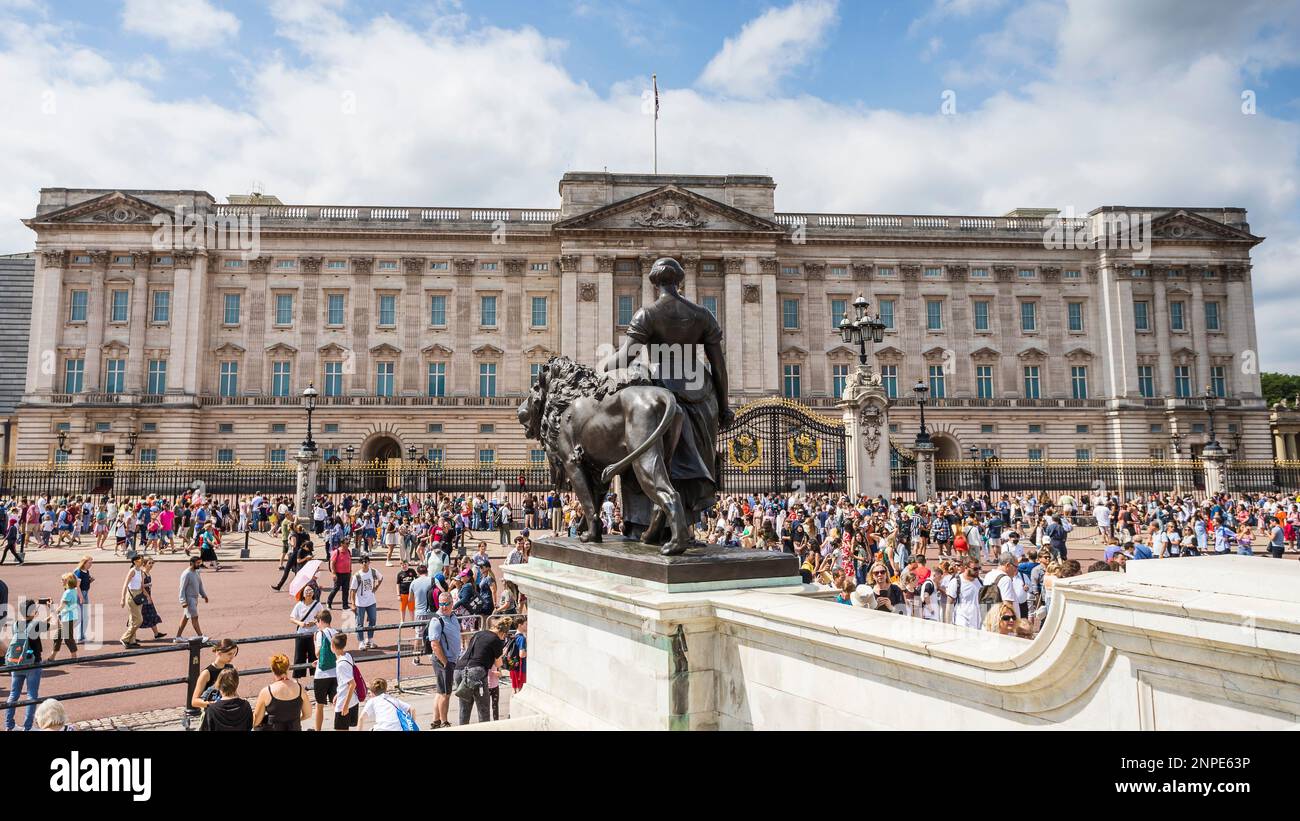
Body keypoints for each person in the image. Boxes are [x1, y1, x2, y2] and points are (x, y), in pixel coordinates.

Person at [597, 257, 732, 554]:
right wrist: (723, 406)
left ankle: (645, 525)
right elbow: (719, 366)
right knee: (690, 465)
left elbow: (626, 358)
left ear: (654, 283)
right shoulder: (702, 314)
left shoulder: (648, 314)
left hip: (661, 389)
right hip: (702, 393)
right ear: (680, 281)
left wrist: (600, 368)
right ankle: (683, 527)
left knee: (649, 462)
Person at [454, 616, 512, 726]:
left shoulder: (478, 634)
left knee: (464, 707)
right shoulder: (496, 640)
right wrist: (502, 654)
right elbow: (498, 663)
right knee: (483, 708)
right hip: (476, 671)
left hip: (459, 669)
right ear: (503, 633)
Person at [5, 599, 43, 731]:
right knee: (32, 695)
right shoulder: (35, 625)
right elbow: (55, 623)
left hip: (17, 663)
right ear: (33, 612)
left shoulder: (16, 624)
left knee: (13, 694)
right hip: (33, 663)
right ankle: (28, 727)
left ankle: (9, 725)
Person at [427, 591, 462, 729]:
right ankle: (444, 721)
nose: (443, 607)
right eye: (441, 604)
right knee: (445, 694)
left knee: (440, 692)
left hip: (450, 659)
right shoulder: (437, 620)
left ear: (452, 604)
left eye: (446, 604)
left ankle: (436, 720)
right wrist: (445, 662)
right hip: (444, 660)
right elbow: (434, 644)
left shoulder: (452, 616)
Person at [252, 653, 311, 731]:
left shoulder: (266, 692)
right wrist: (295, 721)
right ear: (288, 668)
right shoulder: (300, 688)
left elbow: (256, 721)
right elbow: (307, 714)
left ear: (272, 669)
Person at [191, 639, 239, 712]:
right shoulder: (207, 673)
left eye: (234, 653)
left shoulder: (231, 668)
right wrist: (214, 704)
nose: (232, 657)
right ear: (219, 653)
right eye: (229, 654)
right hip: (213, 713)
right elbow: (194, 701)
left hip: (228, 711)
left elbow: (233, 692)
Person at [311, 609, 338, 732]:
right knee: (336, 704)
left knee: (319, 705)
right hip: (336, 672)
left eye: (317, 622)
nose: (317, 624)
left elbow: (317, 653)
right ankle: (339, 728)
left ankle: (318, 730)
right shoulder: (337, 633)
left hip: (321, 674)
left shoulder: (320, 634)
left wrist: (314, 641)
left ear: (320, 621)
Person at [290, 584, 323, 680]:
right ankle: (297, 679)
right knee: (299, 656)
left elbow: (322, 617)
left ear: (313, 593)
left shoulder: (318, 605)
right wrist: (300, 623)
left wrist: (314, 622)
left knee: (314, 655)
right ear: (303, 594)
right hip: (301, 633)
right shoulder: (299, 605)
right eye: (306, 591)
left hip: (313, 634)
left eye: (310, 591)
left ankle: (315, 677)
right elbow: (292, 618)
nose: (308, 593)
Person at [174, 555, 209, 642]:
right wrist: (183, 601)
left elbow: (200, 584)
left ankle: (178, 637)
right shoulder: (186, 574)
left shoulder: (197, 572)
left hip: (195, 598)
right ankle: (201, 636)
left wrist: (204, 595)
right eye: (197, 563)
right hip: (189, 600)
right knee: (195, 618)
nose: (199, 565)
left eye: (200, 563)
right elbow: (181, 589)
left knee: (186, 617)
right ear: (192, 563)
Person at [350, 556, 383, 650]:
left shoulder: (373, 571)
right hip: (360, 603)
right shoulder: (357, 576)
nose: (364, 563)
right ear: (360, 563)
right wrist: (352, 604)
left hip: (371, 601)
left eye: (366, 561)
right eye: (362, 562)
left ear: (369, 562)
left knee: (372, 620)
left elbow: (381, 578)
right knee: (360, 623)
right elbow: (352, 591)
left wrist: (376, 586)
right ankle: (361, 642)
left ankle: (370, 640)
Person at [46, 574, 79, 663]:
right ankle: (52, 657)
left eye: (62, 580)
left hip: (68, 618)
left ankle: (74, 657)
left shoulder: (68, 592)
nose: (61, 581)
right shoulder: (72, 590)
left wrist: (51, 609)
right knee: (58, 637)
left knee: (68, 638)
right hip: (68, 617)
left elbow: (62, 607)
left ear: (67, 581)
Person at [332, 632, 360, 731]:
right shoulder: (347, 655)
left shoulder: (341, 665)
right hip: (352, 699)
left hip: (345, 702)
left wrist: (345, 706)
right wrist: (338, 694)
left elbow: (352, 684)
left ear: (333, 646)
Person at [944, 560, 983, 629]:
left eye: (979, 568)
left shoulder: (981, 582)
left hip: (976, 624)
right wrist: (948, 625)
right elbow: (949, 604)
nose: (978, 571)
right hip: (961, 623)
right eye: (975, 569)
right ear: (966, 568)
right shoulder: (956, 582)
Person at [119, 553, 147, 649]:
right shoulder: (132, 571)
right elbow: (125, 584)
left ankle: (132, 640)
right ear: (135, 561)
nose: (142, 561)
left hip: (139, 595)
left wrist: (147, 597)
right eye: (140, 559)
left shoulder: (141, 572)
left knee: (133, 620)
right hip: (131, 595)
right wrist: (122, 598)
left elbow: (142, 586)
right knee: (139, 620)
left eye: (143, 559)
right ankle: (125, 638)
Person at [137, 557, 167, 640]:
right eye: (149, 563)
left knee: (151, 615)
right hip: (143, 598)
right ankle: (132, 635)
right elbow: (141, 586)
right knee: (139, 617)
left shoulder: (148, 573)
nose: (151, 565)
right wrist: (148, 595)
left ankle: (156, 634)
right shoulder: (142, 573)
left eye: (152, 563)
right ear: (144, 564)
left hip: (147, 597)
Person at [72, 556, 94, 643]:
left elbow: (84, 584)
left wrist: (90, 581)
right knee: (81, 616)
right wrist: (81, 597)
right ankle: (79, 637)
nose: (91, 565)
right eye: (89, 563)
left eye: (91, 563)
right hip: (80, 594)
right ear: (84, 563)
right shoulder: (78, 572)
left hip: (85, 593)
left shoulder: (86, 571)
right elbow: (77, 586)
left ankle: (81, 635)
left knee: (84, 616)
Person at [328, 539, 352, 610]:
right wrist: (333, 574)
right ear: (342, 544)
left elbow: (349, 561)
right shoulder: (336, 552)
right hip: (338, 574)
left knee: (346, 590)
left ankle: (345, 605)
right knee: (336, 589)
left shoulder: (348, 551)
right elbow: (332, 563)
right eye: (346, 543)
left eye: (348, 543)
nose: (348, 545)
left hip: (347, 573)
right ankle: (329, 602)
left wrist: (350, 571)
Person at [506, 616, 527, 693]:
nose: (527, 626)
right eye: (525, 624)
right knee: (520, 690)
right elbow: (521, 654)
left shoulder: (514, 636)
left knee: (514, 689)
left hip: (513, 665)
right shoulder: (522, 638)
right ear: (519, 625)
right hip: (520, 668)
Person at [395, 560, 416, 625]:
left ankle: (413, 622)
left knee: (411, 609)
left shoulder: (412, 571)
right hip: (403, 594)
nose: (404, 566)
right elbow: (398, 584)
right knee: (402, 608)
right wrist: (398, 594)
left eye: (405, 564)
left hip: (411, 594)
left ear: (408, 564)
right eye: (402, 565)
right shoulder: (400, 574)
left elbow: (416, 579)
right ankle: (402, 621)